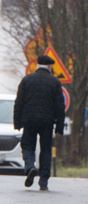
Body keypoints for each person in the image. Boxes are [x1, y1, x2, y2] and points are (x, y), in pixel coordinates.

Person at [14, 54, 65, 191]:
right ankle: (43, 181)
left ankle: (30, 166)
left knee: (27, 146)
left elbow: (19, 102)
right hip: (47, 122)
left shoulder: (27, 80)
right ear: (49, 67)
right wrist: (59, 128)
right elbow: (60, 106)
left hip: (29, 120)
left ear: (37, 65)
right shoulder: (54, 82)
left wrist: (17, 122)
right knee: (46, 150)